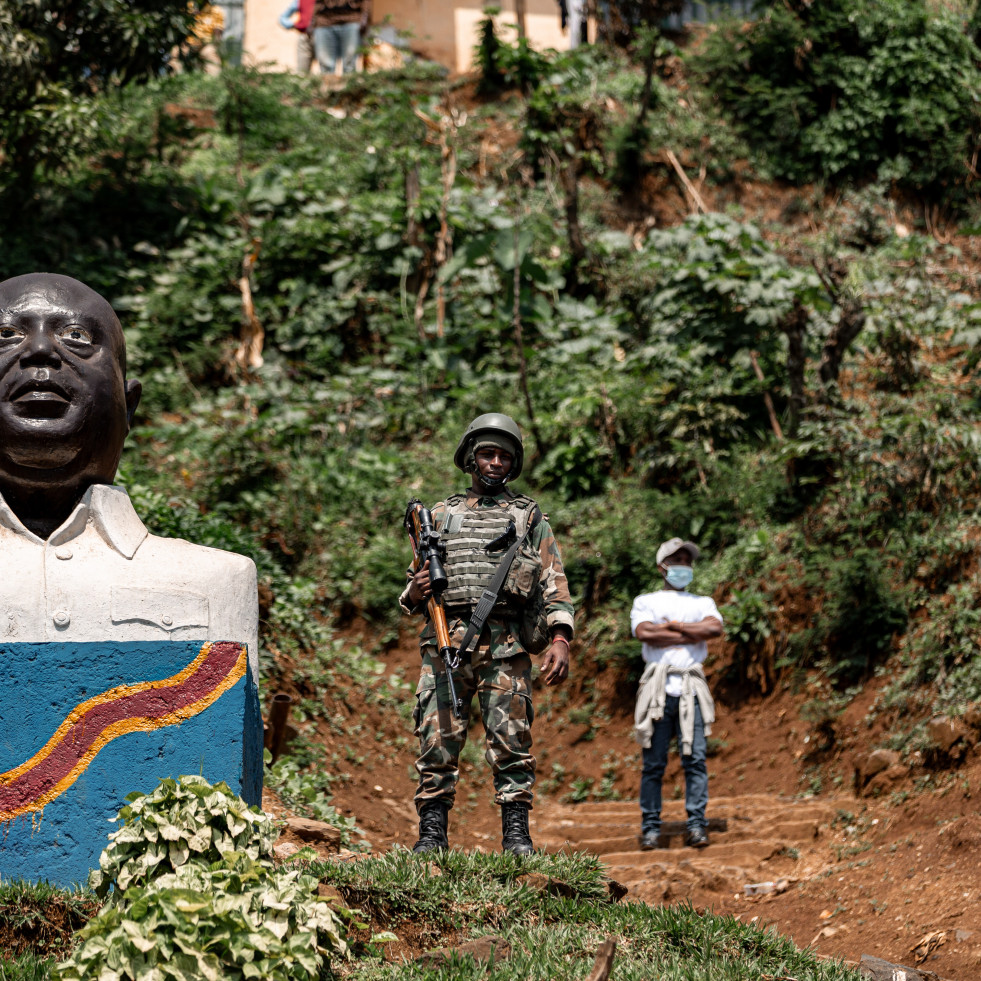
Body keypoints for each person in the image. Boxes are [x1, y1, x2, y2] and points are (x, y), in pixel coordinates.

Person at [0, 273, 258, 669]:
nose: (38, 350)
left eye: (76, 336)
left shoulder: (216, 580)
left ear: (129, 403)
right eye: (5, 334)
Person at [400, 413, 575, 856]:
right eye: (487, 454)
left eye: (504, 456)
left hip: (506, 642)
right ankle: (432, 836)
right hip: (445, 640)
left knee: (512, 740)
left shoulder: (529, 517)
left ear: (513, 464)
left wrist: (560, 637)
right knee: (436, 739)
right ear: (471, 459)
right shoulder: (439, 515)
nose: (495, 462)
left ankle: (517, 838)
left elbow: (553, 579)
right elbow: (411, 586)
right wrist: (415, 590)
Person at [630, 537, 723, 850]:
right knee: (653, 763)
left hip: (691, 689)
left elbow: (713, 629)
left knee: (695, 760)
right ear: (662, 567)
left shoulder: (702, 602)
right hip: (658, 689)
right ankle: (651, 829)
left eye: (687, 559)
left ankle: (697, 825)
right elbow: (644, 633)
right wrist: (688, 631)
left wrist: (672, 628)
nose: (683, 564)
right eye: (677, 559)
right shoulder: (646, 600)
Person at [311, 0, 370, 76]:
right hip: (323, 21)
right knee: (325, 67)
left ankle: (350, 87)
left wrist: (365, 16)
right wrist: (312, 20)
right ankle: (329, 87)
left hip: (351, 19)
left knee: (349, 66)